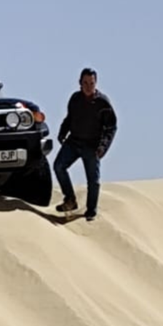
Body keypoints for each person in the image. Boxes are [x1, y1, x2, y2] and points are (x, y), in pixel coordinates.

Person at [53, 67, 117, 220]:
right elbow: (69, 118)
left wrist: (103, 146)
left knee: (93, 181)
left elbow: (111, 127)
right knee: (58, 166)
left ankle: (91, 212)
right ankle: (70, 199)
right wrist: (62, 132)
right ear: (80, 83)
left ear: (96, 83)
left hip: (92, 146)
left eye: (91, 83)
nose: (88, 86)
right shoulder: (75, 99)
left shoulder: (103, 103)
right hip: (74, 141)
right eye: (85, 83)